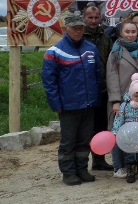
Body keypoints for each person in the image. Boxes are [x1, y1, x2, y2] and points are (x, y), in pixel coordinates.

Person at [42, 14, 101, 186]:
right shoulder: (54, 51)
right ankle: (68, 172)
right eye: (74, 27)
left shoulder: (91, 48)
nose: (78, 30)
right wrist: (56, 104)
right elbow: (49, 81)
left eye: (81, 27)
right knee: (68, 141)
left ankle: (82, 169)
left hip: (88, 104)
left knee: (84, 139)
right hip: (68, 106)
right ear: (65, 28)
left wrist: (96, 98)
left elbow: (97, 75)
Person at [106, 20, 138, 179]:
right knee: (118, 132)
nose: (131, 35)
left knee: (136, 132)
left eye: (133, 32)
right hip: (121, 101)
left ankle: (136, 166)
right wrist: (116, 101)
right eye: (127, 32)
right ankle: (119, 166)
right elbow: (112, 77)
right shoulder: (115, 52)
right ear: (121, 33)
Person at [82, 4, 114, 171]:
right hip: (84, 91)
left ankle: (99, 159)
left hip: (102, 90)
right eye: (90, 17)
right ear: (84, 18)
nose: (93, 21)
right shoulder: (79, 36)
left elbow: (111, 62)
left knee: (101, 126)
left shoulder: (105, 38)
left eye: (96, 17)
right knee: (85, 128)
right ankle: (80, 164)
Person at [111, 73, 138, 183]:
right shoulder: (124, 106)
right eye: (136, 96)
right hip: (128, 135)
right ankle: (131, 171)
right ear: (131, 94)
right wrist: (116, 131)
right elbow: (119, 118)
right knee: (129, 153)